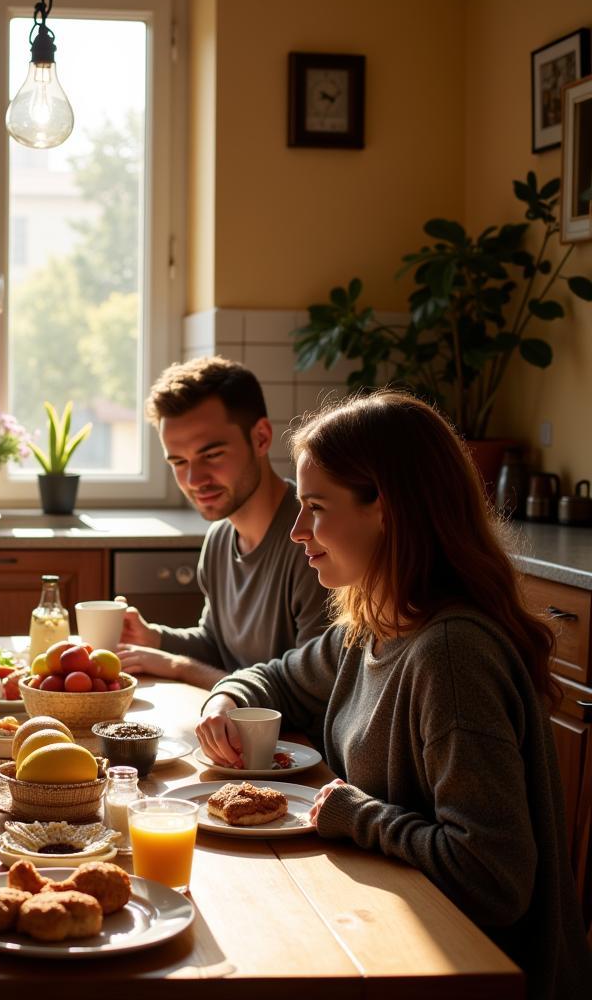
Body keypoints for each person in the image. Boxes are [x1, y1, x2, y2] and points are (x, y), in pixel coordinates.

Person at [195, 390, 590, 998]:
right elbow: (276, 675)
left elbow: (493, 877)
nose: (298, 532)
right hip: (398, 923)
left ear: (389, 509)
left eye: (316, 507)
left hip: (473, 973)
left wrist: (360, 816)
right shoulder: (375, 625)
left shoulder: (450, 656)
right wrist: (225, 698)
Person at [115, 356, 330, 690]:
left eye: (211, 455)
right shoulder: (219, 539)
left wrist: (178, 666)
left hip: (296, 741)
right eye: (179, 461)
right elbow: (217, 645)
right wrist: (153, 638)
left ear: (261, 438)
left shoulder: (314, 541)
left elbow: (311, 690)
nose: (194, 479)